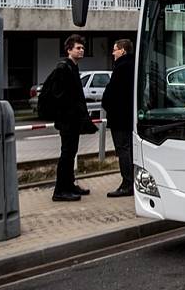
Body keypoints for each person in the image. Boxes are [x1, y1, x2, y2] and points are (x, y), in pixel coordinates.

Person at [49, 34, 98, 202]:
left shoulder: (73, 66)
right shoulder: (63, 68)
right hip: (67, 120)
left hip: (72, 120)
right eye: (78, 48)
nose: (82, 50)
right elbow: (59, 96)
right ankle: (60, 190)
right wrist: (70, 113)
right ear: (69, 50)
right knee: (67, 154)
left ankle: (69, 185)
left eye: (83, 48)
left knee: (71, 153)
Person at [101, 39, 135, 197]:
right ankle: (133, 182)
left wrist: (106, 104)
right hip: (130, 116)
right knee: (130, 149)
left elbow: (111, 93)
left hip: (120, 117)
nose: (113, 53)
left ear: (123, 51)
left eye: (115, 50)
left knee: (123, 150)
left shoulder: (121, 67)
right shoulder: (134, 65)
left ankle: (127, 184)